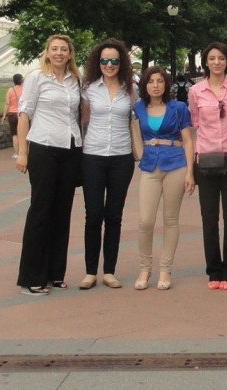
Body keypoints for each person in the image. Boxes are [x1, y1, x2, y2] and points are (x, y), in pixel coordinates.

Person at [15, 34, 82, 296]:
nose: (59, 53)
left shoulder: (75, 80)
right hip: (43, 147)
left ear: (70, 53)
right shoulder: (36, 78)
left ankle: (55, 273)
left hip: (70, 148)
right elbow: (24, 114)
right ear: (47, 52)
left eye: (63, 49)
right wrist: (23, 152)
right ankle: (32, 276)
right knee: (41, 211)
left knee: (62, 211)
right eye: (54, 49)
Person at [188, 41, 227, 290]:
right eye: (212, 58)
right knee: (209, 217)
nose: (216, 62)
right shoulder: (196, 91)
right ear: (205, 62)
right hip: (205, 160)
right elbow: (195, 123)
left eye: (221, 58)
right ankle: (213, 271)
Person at [78, 38, 136, 291]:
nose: (109, 64)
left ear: (121, 62)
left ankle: (109, 270)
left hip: (122, 156)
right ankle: (90, 270)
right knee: (93, 215)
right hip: (93, 154)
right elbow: (80, 120)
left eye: (114, 60)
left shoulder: (130, 89)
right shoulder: (88, 89)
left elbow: (139, 118)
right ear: (97, 62)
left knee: (114, 215)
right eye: (104, 60)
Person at [134, 66, 195, 291]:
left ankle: (165, 269)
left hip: (175, 164)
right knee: (145, 221)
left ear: (166, 84)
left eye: (160, 81)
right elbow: (135, 134)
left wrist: (190, 172)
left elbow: (188, 140)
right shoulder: (139, 108)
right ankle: (144, 267)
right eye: (151, 81)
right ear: (145, 85)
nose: (156, 85)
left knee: (170, 219)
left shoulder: (178, 107)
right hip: (150, 165)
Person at [2, 73, 24, 158]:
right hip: (21, 113)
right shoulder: (24, 90)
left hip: (12, 114)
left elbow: (7, 103)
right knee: (23, 133)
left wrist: (4, 115)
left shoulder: (10, 90)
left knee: (15, 134)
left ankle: (17, 153)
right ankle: (24, 152)